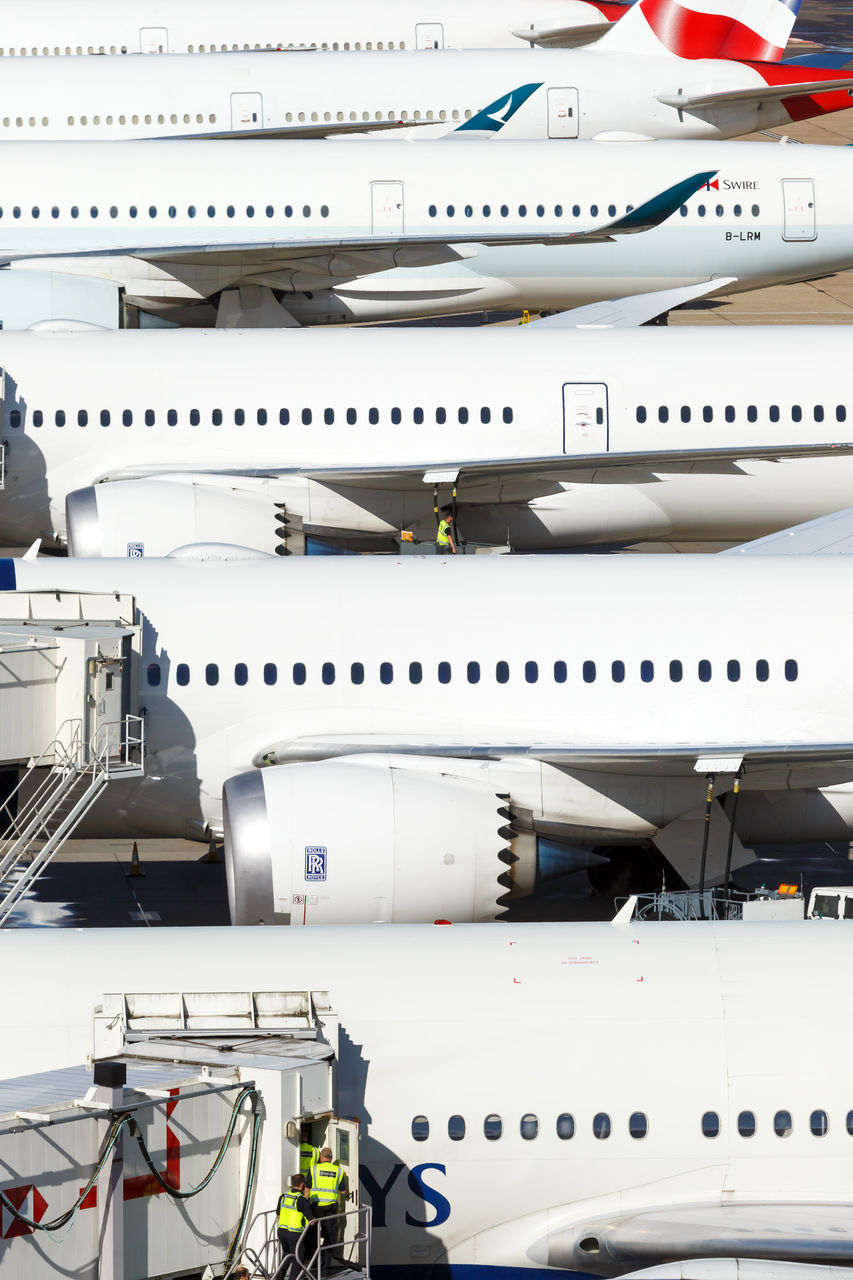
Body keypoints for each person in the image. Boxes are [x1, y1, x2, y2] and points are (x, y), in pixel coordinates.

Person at [277, 1173, 316, 1280]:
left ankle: (279, 1276)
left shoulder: (283, 1196)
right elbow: (311, 1221)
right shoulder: (301, 1200)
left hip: (281, 1232)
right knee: (298, 1258)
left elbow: (278, 1215)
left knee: (287, 1254)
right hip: (294, 1233)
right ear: (302, 1185)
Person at [311, 1146, 345, 1265]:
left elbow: (307, 1188)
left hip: (316, 1208)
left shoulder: (313, 1169)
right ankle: (325, 1267)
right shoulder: (338, 1171)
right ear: (331, 1158)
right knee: (330, 1237)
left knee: (313, 1235)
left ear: (321, 1157)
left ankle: (314, 1262)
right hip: (330, 1208)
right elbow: (343, 1191)